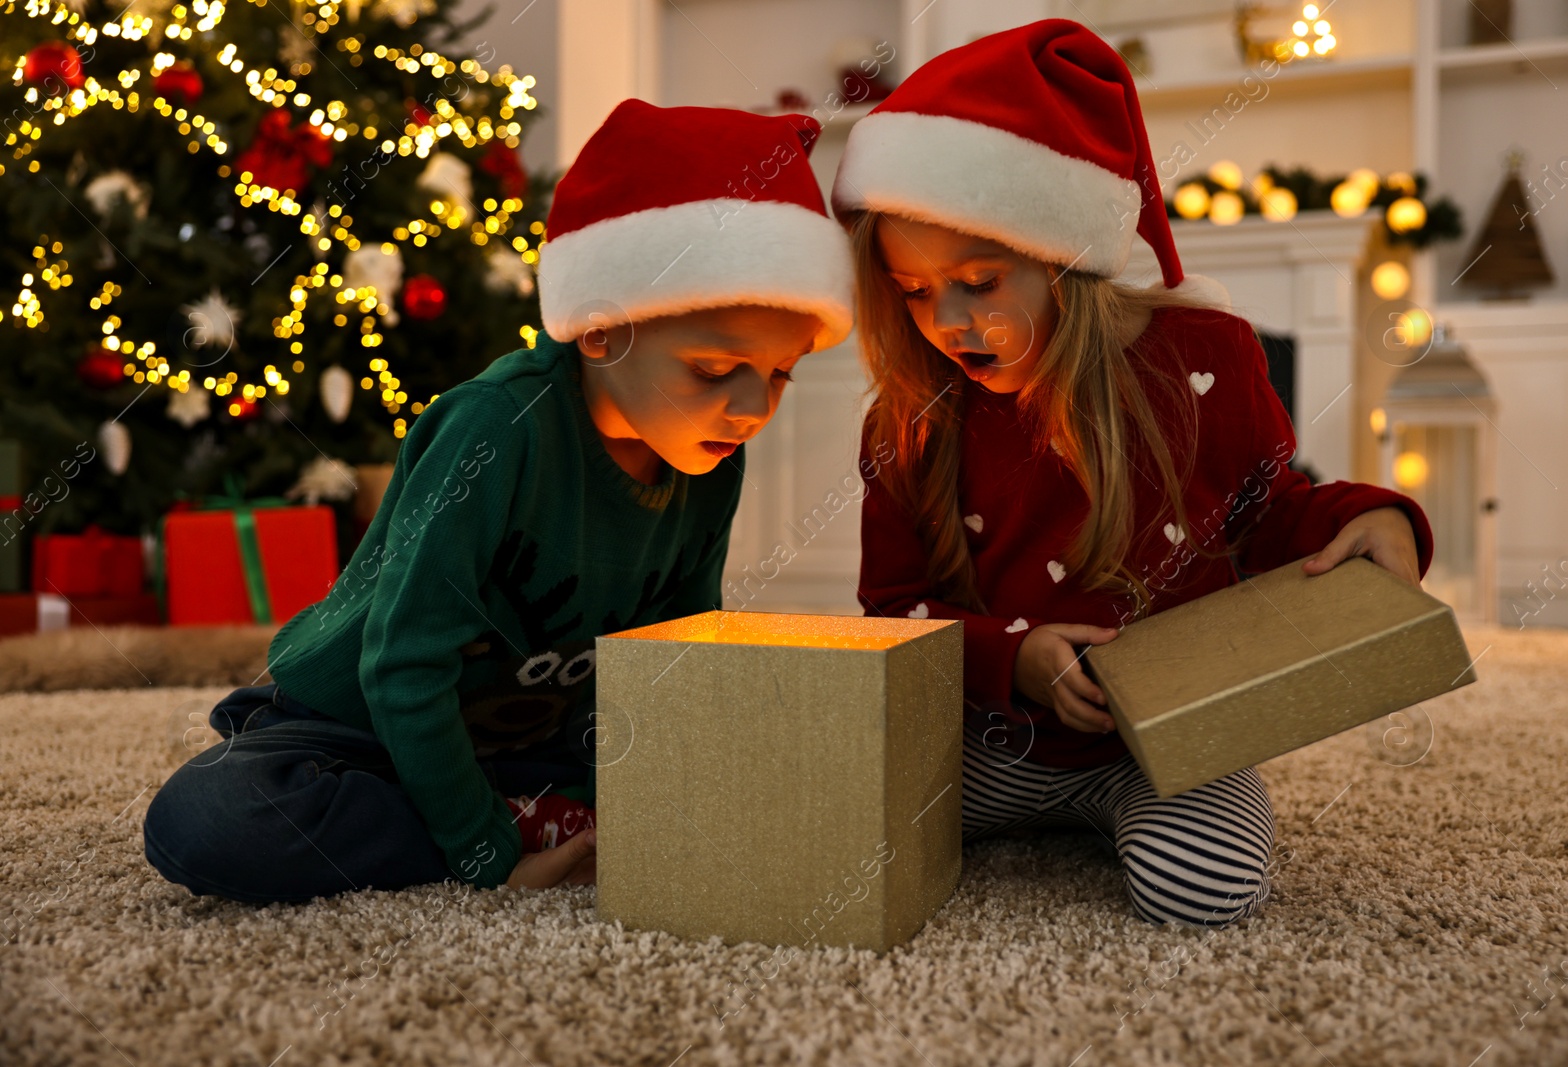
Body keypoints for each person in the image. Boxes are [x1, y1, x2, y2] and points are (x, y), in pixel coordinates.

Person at [143, 99, 855, 903]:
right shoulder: (496, 427)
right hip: (367, 719)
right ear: (598, 329)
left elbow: (669, 663)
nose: (754, 406)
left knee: (767, 762)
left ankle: (525, 808)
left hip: (536, 733)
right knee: (205, 819)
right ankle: (499, 822)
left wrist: (657, 788)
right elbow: (402, 664)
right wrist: (487, 854)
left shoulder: (713, 460)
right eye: (713, 369)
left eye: (781, 373)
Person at [831, 20, 1434, 927]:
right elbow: (894, 613)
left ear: (1064, 256)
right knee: (823, 822)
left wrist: (1379, 516)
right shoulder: (909, 421)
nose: (947, 322)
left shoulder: (1205, 358)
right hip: (990, 733)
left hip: (1165, 737)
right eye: (913, 292)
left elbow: (1273, 513)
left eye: (979, 280)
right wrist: (1014, 657)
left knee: (1204, 890)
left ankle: (1116, 809)